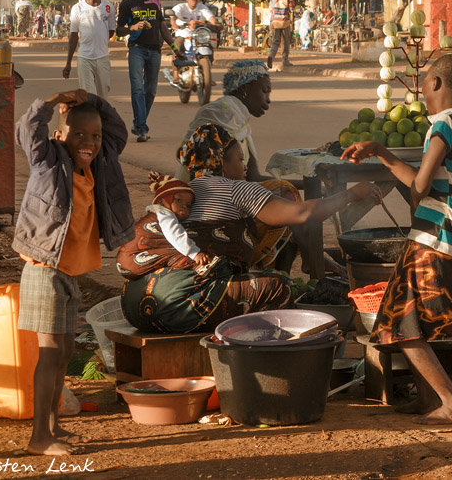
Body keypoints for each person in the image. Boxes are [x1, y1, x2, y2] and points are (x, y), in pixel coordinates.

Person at [120, 124, 380, 333]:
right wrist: (352, 194)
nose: (244, 167)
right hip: (176, 307)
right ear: (221, 162)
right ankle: (268, 365)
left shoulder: (180, 193)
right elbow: (301, 213)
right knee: (279, 288)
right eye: (239, 159)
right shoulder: (234, 189)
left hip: (135, 306)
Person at [341, 54, 452, 425]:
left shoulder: (443, 126)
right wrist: (382, 152)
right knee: (406, 321)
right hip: (447, 240)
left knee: (401, 323)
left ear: (434, 84)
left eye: (424, 80)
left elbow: (419, 185)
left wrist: (383, 158)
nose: (419, 87)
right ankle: (427, 397)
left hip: (434, 238)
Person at [13, 89, 134, 455]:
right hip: (44, 267)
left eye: (94, 136)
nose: (89, 142)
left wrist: (94, 101)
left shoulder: (99, 164)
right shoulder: (48, 160)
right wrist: (50, 102)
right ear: (60, 135)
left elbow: (117, 131)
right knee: (50, 353)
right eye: (79, 134)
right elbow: (28, 128)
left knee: (64, 351)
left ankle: (52, 426)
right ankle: (39, 438)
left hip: (69, 271)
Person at [176, 60, 303, 271]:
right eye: (264, 91)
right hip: (202, 208)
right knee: (287, 199)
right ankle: (285, 272)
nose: (268, 100)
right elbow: (185, 158)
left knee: (287, 201)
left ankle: (285, 273)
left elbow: (253, 176)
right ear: (245, 88)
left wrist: (309, 185)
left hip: (228, 198)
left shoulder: (241, 124)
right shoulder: (218, 113)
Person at [117, 0, 182, 143]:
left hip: (155, 51)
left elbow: (163, 27)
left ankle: (139, 124)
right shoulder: (127, 3)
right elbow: (118, 30)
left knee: (151, 90)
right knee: (137, 87)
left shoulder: (155, 1)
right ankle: (142, 129)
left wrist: (175, 48)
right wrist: (133, 27)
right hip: (136, 49)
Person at [116, 173, 217, 279]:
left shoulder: (155, 215)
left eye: (188, 205)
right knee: (176, 252)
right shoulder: (164, 214)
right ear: (161, 201)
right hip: (132, 260)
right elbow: (175, 235)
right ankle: (198, 266)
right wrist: (194, 253)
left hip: (126, 262)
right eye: (178, 200)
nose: (184, 206)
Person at [63, 0, 115, 98]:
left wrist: (99, 40)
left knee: (103, 95)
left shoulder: (108, 7)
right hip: (84, 58)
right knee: (88, 95)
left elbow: (111, 31)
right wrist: (68, 63)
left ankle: (101, 117)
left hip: (102, 57)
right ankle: (91, 118)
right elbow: (74, 36)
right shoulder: (78, 8)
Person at [267, 0, 296, 68]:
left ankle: (271, 56)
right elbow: (291, 11)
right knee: (286, 41)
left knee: (275, 41)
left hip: (275, 21)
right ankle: (285, 60)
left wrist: (271, 22)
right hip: (285, 22)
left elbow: (271, 10)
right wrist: (292, 24)